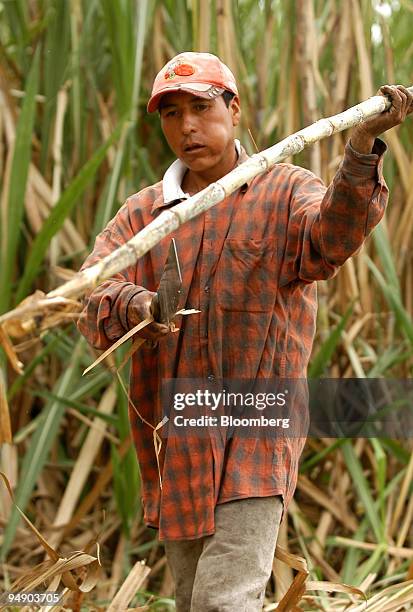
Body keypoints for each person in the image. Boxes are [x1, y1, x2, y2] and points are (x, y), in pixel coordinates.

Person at [77, 52, 413, 611]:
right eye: (171, 113)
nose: (186, 126)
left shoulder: (283, 190)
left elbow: (332, 238)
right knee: (192, 600)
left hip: (258, 430)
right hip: (180, 435)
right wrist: (137, 306)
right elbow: (90, 295)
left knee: (222, 601)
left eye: (201, 108)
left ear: (233, 110)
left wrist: (359, 149)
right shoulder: (144, 216)